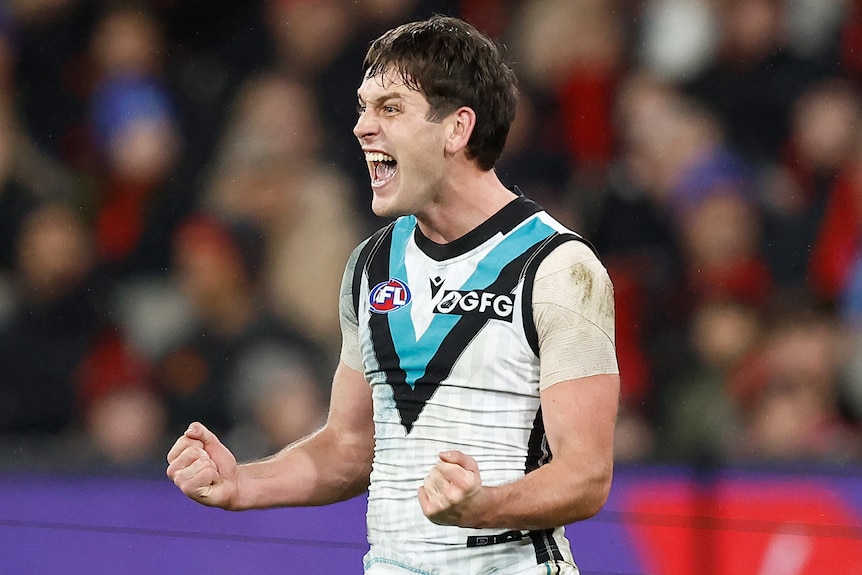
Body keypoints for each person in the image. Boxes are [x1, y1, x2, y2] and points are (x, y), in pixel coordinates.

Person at [167, 15, 619, 575]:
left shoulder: (558, 269)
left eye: (389, 108)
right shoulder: (370, 266)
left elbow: (587, 475)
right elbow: (350, 449)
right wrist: (243, 483)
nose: (361, 127)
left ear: (457, 130)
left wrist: (481, 509)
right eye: (363, 107)